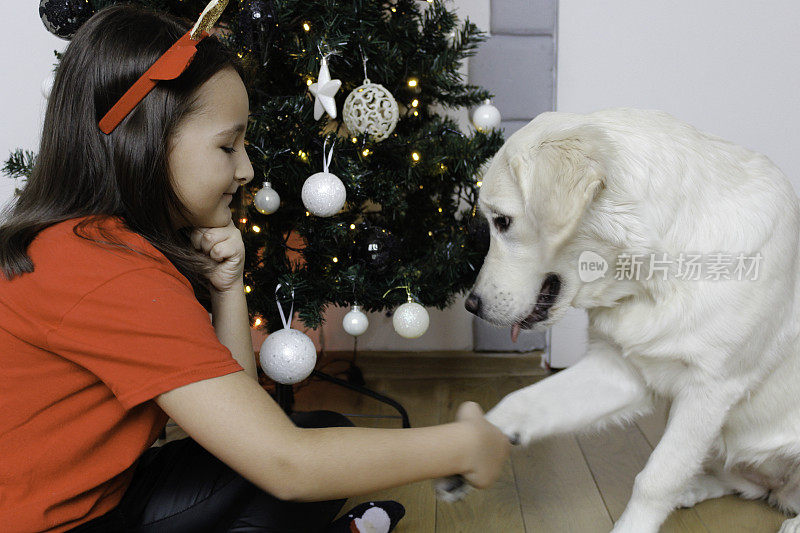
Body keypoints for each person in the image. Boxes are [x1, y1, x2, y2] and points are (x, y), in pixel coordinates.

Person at [0, 4, 512, 533]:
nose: (246, 170)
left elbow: (240, 411)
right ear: (145, 140)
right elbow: (285, 463)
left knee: (316, 437)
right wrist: (461, 447)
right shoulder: (106, 272)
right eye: (227, 146)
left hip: (104, 497)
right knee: (295, 466)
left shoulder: (98, 245)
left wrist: (226, 287)